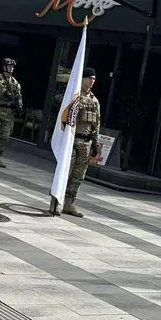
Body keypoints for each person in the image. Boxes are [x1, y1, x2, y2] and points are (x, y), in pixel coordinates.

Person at [51, 68, 100, 218]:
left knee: (78, 176)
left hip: (86, 143)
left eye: (94, 78)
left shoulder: (94, 100)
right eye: (89, 78)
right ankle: (55, 203)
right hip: (72, 140)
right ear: (83, 79)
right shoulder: (74, 96)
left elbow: (96, 124)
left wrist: (95, 143)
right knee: (66, 171)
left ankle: (69, 203)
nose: (92, 81)